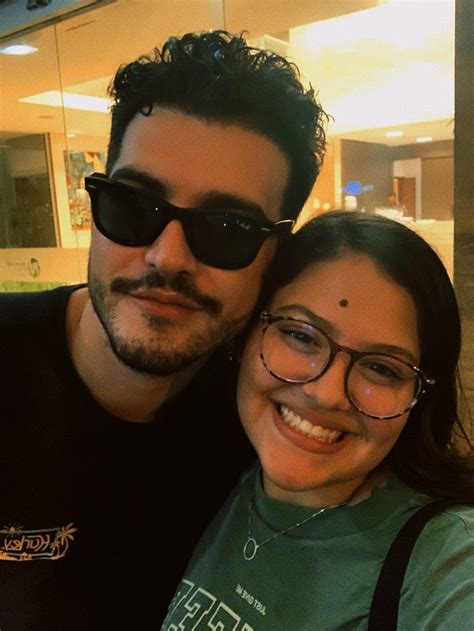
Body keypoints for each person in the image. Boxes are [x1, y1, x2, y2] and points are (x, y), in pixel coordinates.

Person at [0, 30, 328, 629]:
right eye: (133, 204)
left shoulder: (270, 421)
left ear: (275, 256)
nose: (166, 257)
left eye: (227, 226)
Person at [163, 211, 474, 630]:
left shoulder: (447, 562)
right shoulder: (208, 472)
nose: (326, 392)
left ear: (420, 398)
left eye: (382, 369)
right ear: (247, 332)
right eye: (301, 336)